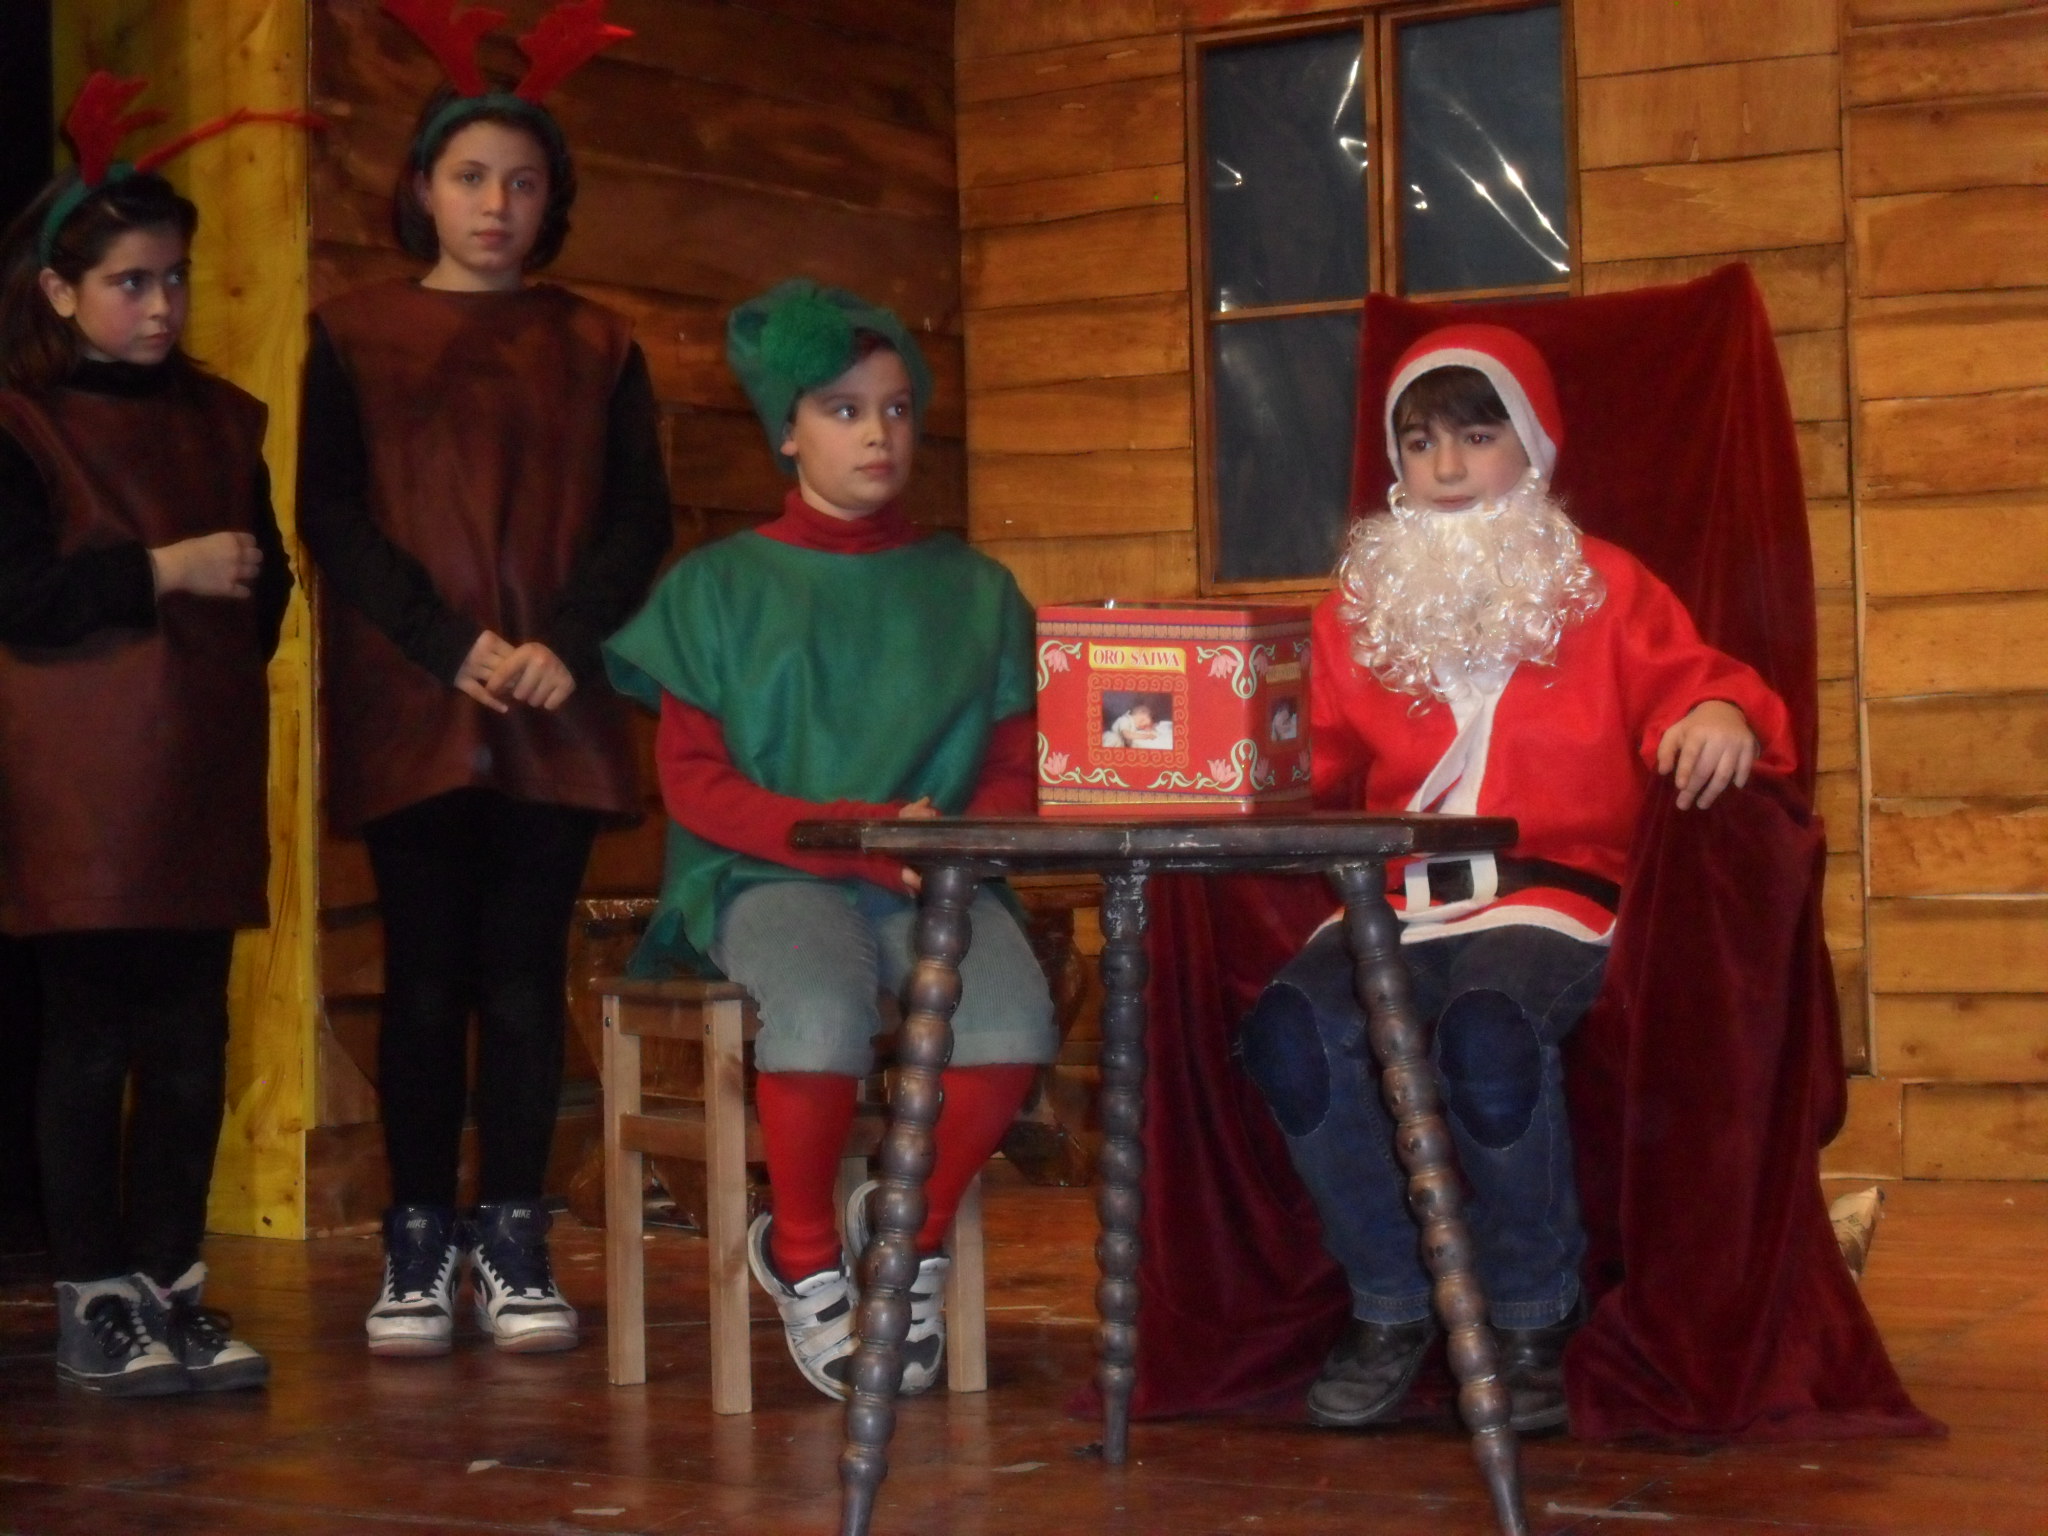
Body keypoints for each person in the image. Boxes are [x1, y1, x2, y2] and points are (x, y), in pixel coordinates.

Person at [1237, 323, 1796, 1435]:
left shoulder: (1604, 587)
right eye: (1419, 444)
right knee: (1289, 1033)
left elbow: (1698, 684)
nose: (1446, 469)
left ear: (1531, 445)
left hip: (1553, 891)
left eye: (1477, 438)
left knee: (1487, 1028)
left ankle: (1535, 1312)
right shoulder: (1357, 615)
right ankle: (1391, 1300)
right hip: (1394, 898)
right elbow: (1302, 765)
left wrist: (1717, 711)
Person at [605, 279, 1057, 1400]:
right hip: (762, 873)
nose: (876, 434)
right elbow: (694, 783)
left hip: (933, 878)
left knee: (1013, 1017)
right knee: (817, 1003)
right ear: (787, 431)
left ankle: (905, 1235)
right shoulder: (717, 588)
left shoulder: (976, 590)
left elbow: (1013, 764)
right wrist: (844, 844)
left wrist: (956, 846)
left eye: (896, 409)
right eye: (844, 410)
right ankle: (802, 1255)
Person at [299, 2, 669, 1358]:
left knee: (521, 981)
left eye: (520, 182)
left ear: (549, 199)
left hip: (553, 702)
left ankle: (512, 1234)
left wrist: (562, 641)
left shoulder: (599, 341)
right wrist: (447, 643)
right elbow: (331, 513)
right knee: (422, 980)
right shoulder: (352, 333)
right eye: (470, 177)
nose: (495, 205)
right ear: (422, 188)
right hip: (417, 696)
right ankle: (415, 1240)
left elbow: (638, 515)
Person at [0, 148, 292, 1393]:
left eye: (175, 278)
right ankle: (96, 1299)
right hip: (79, 783)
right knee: (88, 1042)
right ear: (60, 292)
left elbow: (269, 582)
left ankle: (172, 1285)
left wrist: (211, 654)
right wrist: (163, 572)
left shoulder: (224, 420)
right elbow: (20, 595)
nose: (162, 304)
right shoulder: (22, 423)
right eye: (130, 282)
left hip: (197, 771)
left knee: (189, 1041)